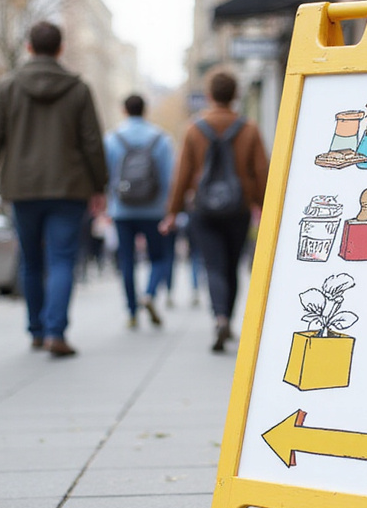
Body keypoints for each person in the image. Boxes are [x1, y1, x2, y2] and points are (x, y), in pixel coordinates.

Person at [0, 21, 108, 357]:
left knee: (31, 261)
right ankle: (56, 331)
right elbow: (92, 141)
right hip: (69, 187)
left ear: (28, 47)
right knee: (62, 260)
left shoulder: (7, 87)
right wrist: (99, 186)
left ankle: (36, 329)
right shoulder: (78, 89)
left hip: (22, 187)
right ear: (60, 49)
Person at [160, 70, 268, 352]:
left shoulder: (194, 128)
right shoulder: (249, 128)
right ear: (236, 95)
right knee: (232, 266)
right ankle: (228, 320)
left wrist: (172, 211)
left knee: (213, 265)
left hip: (203, 209)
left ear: (209, 96)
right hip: (238, 208)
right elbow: (260, 171)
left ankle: (219, 316)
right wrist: (264, 205)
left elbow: (181, 174)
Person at [103, 93, 174, 328]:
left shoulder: (112, 139)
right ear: (145, 110)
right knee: (159, 257)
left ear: (124, 110)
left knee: (126, 260)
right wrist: (170, 207)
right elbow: (168, 177)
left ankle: (132, 311)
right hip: (154, 210)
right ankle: (150, 294)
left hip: (122, 210)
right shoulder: (161, 139)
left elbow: (105, 175)